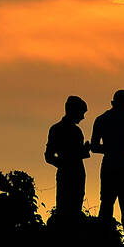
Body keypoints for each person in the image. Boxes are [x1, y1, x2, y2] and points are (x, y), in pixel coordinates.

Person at [90, 89, 124, 242]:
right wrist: (122, 150)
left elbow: (94, 147)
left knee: (106, 204)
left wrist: (111, 149)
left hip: (110, 166)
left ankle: (104, 238)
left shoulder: (102, 119)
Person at [44, 95, 90, 227]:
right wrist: (65, 165)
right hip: (70, 174)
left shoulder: (59, 129)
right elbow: (49, 156)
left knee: (73, 209)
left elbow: (50, 156)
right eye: (82, 113)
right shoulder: (69, 131)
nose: (83, 117)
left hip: (74, 173)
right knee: (66, 210)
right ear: (74, 111)